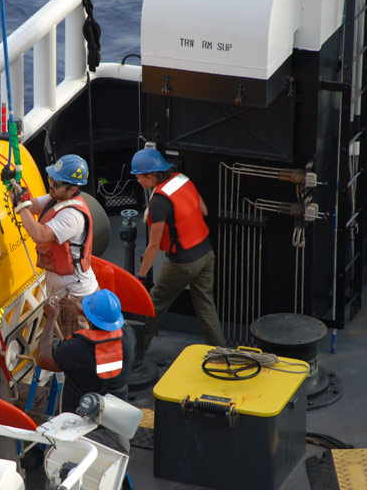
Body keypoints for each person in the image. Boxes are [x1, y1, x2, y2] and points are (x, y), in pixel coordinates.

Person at [130, 148, 226, 349]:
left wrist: (140, 276)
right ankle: (221, 353)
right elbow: (204, 210)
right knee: (206, 307)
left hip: (184, 262)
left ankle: (136, 356)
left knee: (154, 304)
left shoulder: (158, 203)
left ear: (150, 176)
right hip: (206, 254)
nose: (138, 182)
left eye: (139, 178)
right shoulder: (182, 179)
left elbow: (153, 246)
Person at [35, 288, 136, 454]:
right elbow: (106, 334)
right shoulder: (128, 337)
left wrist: (51, 317)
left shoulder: (77, 348)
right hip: (116, 422)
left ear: (91, 317)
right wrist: (83, 311)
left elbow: (43, 358)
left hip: (81, 424)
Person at [10, 154, 99, 338]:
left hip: (74, 297)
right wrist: (16, 190)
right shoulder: (56, 197)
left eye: (57, 183)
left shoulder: (72, 217)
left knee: (76, 349)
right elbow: (32, 205)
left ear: (73, 188)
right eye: (51, 179)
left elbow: (40, 235)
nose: (51, 185)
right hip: (64, 292)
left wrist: (20, 206)